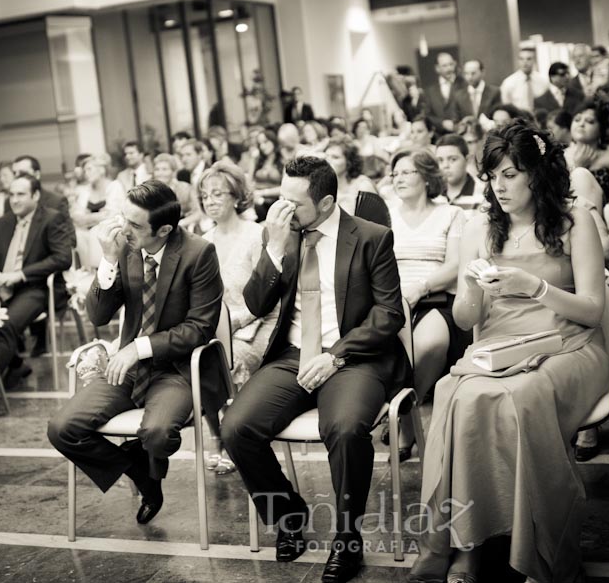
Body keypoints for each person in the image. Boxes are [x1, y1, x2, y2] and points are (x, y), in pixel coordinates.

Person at [407, 123, 609, 583]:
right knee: (455, 396)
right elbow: (465, 319)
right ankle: (466, 546)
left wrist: (535, 287)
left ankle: (536, 547)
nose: (498, 186)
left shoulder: (574, 223)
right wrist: (472, 291)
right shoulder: (479, 225)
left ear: (537, 175)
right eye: (493, 176)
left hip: (569, 343)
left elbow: (594, 310)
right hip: (499, 344)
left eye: (511, 175)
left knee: (522, 398)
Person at [221, 156, 410, 583]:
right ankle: (288, 516)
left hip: (352, 357)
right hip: (291, 356)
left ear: (325, 203)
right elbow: (255, 305)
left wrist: (336, 355)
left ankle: (348, 539)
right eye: (280, 200)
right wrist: (272, 247)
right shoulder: (282, 234)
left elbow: (388, 315)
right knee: (237, 427)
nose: (283, 211)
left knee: (344, 429)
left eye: (294, 203)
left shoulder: (371, 238)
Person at [47, 180, 223, 525]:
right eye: (123, 218)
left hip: (177, 369)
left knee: (157, 434)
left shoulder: (199, 253)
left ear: (165, 230)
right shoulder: (124, 248)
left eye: (135, 225)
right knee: (62, 428)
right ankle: (142, 473)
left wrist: (140, 348)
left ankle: (148, 458)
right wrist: (108, 262)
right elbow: (98, 316)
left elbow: (199, 328)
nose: (123, 229)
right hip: (125, 368)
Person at [0, 174, 72, 425]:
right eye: (11, 194)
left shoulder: (52, 218)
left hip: (36, 288)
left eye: (21, 194)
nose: (14, 200)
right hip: (1, 288)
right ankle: (15, 363)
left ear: (36, 195)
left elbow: (63, 258)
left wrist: (20, 275)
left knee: (5, 326)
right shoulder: (4, 222)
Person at [387, 149, 468, 461]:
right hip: (393, 299)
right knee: (395, 350)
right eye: (395, 174)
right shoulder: (386, 214)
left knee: (429, 344)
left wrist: (420, 287)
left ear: (426, 176)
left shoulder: (450, 214)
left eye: (406, 172)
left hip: (436, 296)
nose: (399, 178)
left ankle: (404, 411)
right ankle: (407, 426)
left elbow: (456, 264)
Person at [197, 162, 276, 474]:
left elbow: (270, 295)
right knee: (196, 362)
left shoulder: (257, 235)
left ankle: (235, 438)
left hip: (256, 327)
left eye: (217, 193)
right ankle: (218, 435)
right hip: (216, 329)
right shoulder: (202, 240)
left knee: (230, 360)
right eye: (204, 195)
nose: (210, 200)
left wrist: (239, 322)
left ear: (236, 196)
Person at [566, 100, 609, 213]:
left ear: (601, 129)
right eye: (577, 120)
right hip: (574, 215)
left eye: (590, 121)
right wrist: (578, 168)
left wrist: (596, 219)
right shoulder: (563, 155)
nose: (581, 124)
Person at [324, 139, 378, 214]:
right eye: (326, 156)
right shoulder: (323, 186)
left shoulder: (363, 186)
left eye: (335, 157)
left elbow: (376, 219)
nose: (328, 161)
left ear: (349, 162)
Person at [436, 134, 484, 211]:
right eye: (440, 160)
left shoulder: (482, 194)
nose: (445, 165)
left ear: (468, 160)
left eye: (453, 159)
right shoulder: (433, 195)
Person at [424, 52, 466, 134]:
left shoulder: (464, 85)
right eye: (445, 66)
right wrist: (442, 123)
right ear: (437, 68)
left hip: (461, 134)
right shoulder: (430, 91)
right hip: (439, 136)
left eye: (451, 64)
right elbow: (428, 114)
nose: (449, 68)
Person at [500, 46, 548, 113]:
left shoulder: (543, 81)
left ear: (534, 60)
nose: (525, 62)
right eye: (521, 59)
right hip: (519, 120)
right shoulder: (509, 82)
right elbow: (506, 106)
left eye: (529, 59)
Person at [253, 129, 283, 222]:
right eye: (260, 143)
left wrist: (262, 193)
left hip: (273, 201)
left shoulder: (282, 160)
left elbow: (285, 188)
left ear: (273, 141)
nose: (262, 146)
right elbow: (250, 180)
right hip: (256, 199)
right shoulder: (258, 160)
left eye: (265, 142)